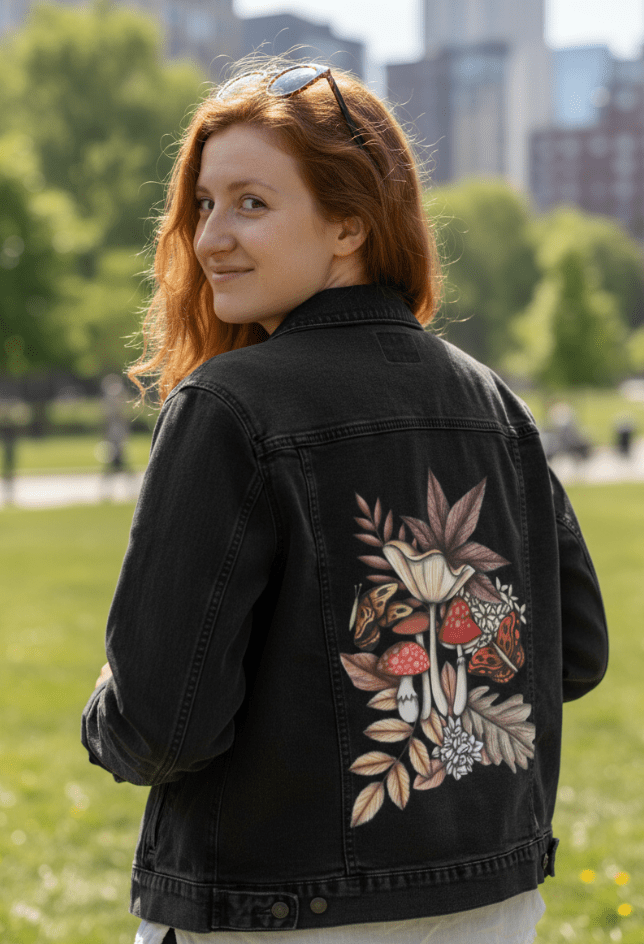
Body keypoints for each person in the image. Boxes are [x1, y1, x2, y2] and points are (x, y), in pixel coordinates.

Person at [81, 59, 609, 944]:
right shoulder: (496, 404)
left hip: (274, 914)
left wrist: (109, 702)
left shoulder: (229, 405)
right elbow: (574, 652)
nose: (211, 237)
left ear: (349, 225)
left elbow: (162, 727)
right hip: (490, 907)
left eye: (252, 202)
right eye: (204, 204)